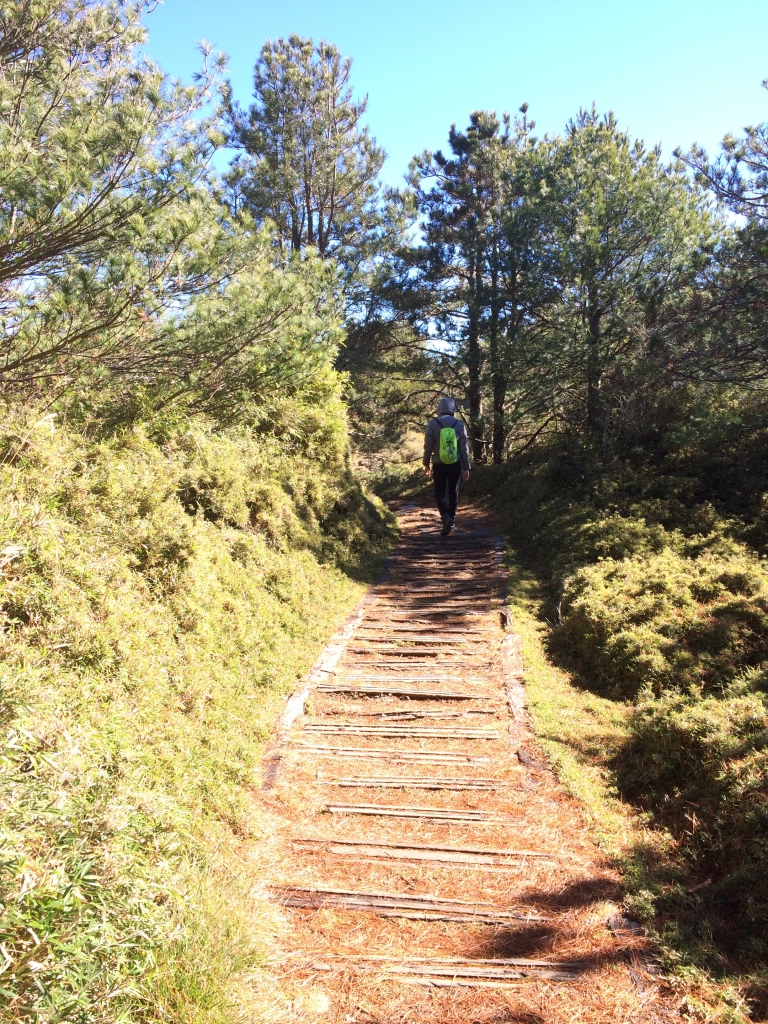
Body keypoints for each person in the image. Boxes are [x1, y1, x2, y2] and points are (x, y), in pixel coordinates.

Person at [423, 396, 471, 537]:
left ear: (439, 409)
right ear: (453, 409)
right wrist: (466, 467)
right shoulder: (459, 424)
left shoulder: (433, 423)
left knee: (439, 493)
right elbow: (464, 448)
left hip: (438, 464)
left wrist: (426, 464)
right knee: (453, 492)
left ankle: (445, 518)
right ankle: (452, 520)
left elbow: (428, 447)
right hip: (455, 463)